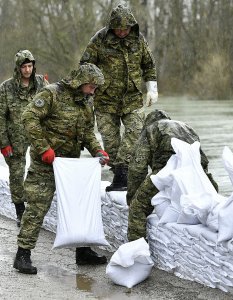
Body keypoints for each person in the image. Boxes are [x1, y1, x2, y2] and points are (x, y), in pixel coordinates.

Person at [13, 63, 110, 275]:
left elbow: (87, 132)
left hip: (70, 165)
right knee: (37, 207)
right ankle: (23, 254)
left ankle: (83, 252)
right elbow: (29, 118)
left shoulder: (86, 102)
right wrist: (43, 148)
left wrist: (97, 151)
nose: (94, 90)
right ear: (80, 82)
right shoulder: (51, 94)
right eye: (92, 86)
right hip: (45, 163)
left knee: (79, 206)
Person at [80, 4, 158, 192]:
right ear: (112, 27)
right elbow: (85, 65)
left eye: (126, 28)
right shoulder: (100, 40)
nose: (122, 32)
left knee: (136, 130)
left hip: (132, 98)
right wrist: (90, 88)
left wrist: (152, 88)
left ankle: (123, 170)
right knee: (111, 141)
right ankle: (121, 177)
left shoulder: (138, 40)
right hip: (105, 99)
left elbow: (149, 65)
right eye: (119, 28)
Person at [126, 110, 219, 241]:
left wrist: (132, 197)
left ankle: (137, 250)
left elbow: (137, 167)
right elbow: (202, 160)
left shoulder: (150, 129)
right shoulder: (186, 127)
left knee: (137, 208)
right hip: (194, 169)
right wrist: (211, 187)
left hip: (167, 170)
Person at [0, 50, 48, 227]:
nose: (27, 70)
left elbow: (52, 106)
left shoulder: (41, 83)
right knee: (17, 174)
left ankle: (34, 210)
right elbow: (0, 117)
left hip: (37, 134)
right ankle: (20, 211)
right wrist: (3, 143)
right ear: (18, 68)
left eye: (30, 66)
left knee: (38, 171)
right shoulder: (6, 87)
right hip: (15, 136)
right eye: (24, 67)